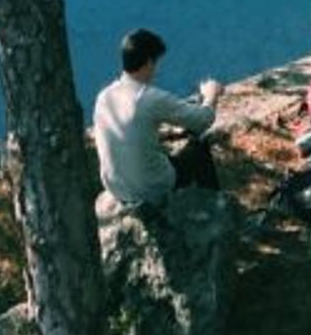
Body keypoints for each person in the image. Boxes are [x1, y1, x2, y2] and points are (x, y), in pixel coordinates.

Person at [92, 27, 221, 210]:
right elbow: (203, 120)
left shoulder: (104, 97)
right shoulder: (150, 97)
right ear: (149, 62)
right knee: (198, 149)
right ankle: (215, 210)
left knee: (164, 155)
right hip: (149, 188)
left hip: (116, 187)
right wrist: (211, 94)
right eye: (156, 62)